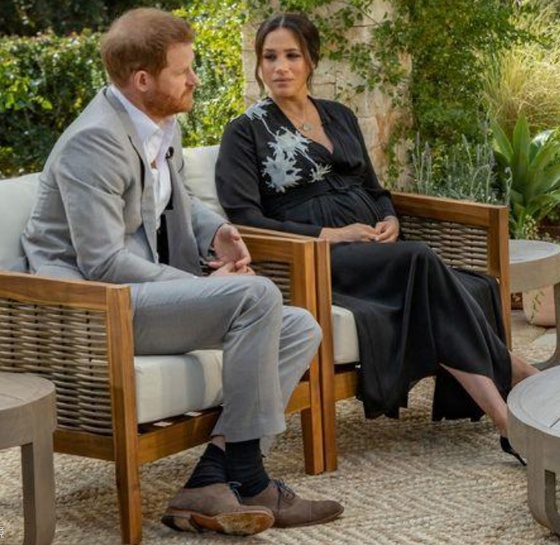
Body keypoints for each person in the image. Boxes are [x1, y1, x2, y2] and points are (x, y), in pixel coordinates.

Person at [20, 7, 344, 536]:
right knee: (257, 295)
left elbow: (180, 201)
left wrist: (219, 231)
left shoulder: (158, 123)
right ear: (142, 80)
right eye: (183, 70)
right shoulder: (94, 142)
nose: (194, 79)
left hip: (136, 293)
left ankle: (210, 478)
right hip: (94, 310)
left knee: (300, 327)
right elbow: (102, 262)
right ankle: (251, 480)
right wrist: (202, 286)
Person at [215, 12, 539, 464]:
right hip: (317, 258)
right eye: (270, 57)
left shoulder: (339, 115)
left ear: (311, 61)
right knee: (420, 260)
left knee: (434, 280)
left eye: (292, 56)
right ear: (258, 62)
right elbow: (245, 218)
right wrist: (330, 235)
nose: (280, 67)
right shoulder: (245, 131)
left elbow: (373, 187)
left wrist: (389, 218)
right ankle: (518, 384)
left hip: (374, 248)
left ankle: (510, 419)